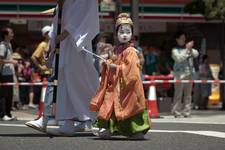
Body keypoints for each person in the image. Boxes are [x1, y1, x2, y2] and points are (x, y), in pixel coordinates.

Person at [89, 13, 151, 139]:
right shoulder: (116, 50)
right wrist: (108, 63)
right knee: (111, 104)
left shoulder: (131, 51)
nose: (124, 35)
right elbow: (114, 62)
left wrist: (116, 67)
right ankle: (109, 128)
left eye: (128, 32)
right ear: (116, 34)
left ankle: (135, 130)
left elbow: (131, 70)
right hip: (116, 85)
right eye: (121, 32)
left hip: (128, 87)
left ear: (131, 35)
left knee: (130, 105)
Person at [48, 0, 99, 136]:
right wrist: (51, 43)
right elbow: (56, 22)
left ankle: (94, 118)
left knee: (81, 81)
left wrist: (64, 35)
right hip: (64, 45)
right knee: (65, 81)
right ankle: (70, 122)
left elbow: (82, 18)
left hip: (76, 46)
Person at [25, 25, 56, 132]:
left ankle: (48, 116)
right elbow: (34, 56)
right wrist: (40, 67)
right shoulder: (43, 44)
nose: (49, 34)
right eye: (47, 33)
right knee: (47, 93)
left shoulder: (52, 42)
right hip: (47, 72)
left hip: (52, 70)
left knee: (52, 93)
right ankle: (43, 116)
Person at [171, 31, 199, 118]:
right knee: (178, 94)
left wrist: (190, 49)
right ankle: (176, 111)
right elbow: (179, 58)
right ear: (177, 39)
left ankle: (187, 111)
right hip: (179, 75)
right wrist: (187, 50)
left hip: (189, 74)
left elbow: (196, 54)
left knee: (188, 94)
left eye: (184, 38)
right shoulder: (175, 50)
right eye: (182, 38)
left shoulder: (188, 49)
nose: (183, 40)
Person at [0, 27, 17, 121]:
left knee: (10, 94)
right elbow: (0, 60)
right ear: (6, 35)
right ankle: (2, 114)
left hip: (9, 73)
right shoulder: (2, 46)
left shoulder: (9, 44)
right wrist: (11, 62)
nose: (13, 34)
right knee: (3, 94)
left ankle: (8, 113)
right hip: (4, 73)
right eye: (11, 33)